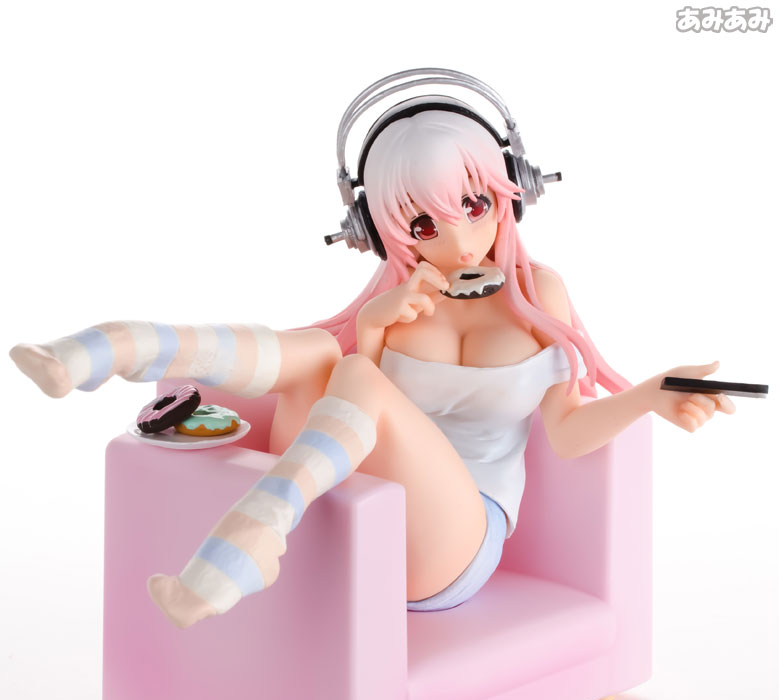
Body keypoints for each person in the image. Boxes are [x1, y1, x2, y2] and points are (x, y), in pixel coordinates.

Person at [8, 72, 735, 629]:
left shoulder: (538, 293)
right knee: (323, 355)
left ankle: (243, 538)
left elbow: (568, 433)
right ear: (375, 228)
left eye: (472, 205)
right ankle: (119, 348)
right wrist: (379, 325)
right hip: (357, 510)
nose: (457, 241)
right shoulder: (397, 295)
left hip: (453, 544)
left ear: (511, 189)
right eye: (422, 225)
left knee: (347, 366)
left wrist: (650, 394)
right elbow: (363, 419)